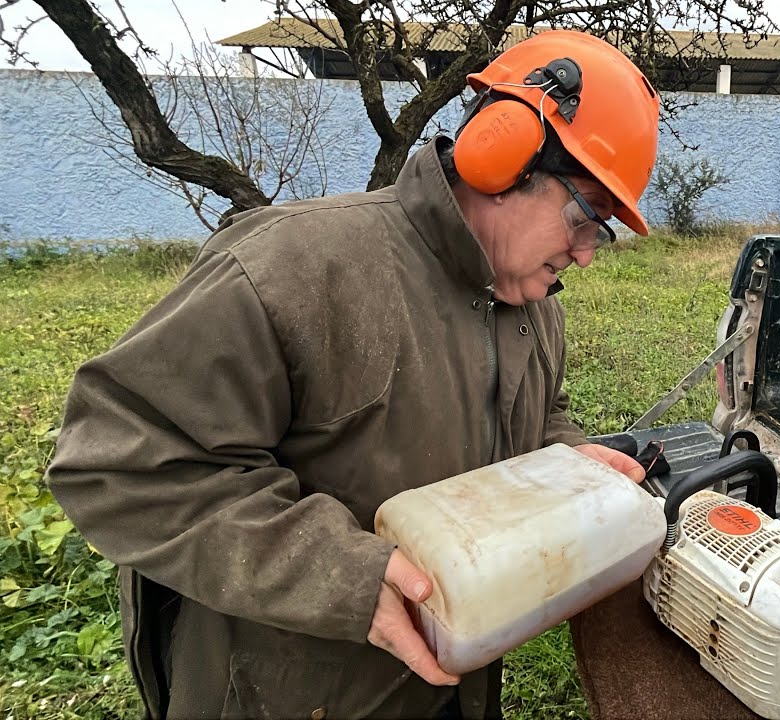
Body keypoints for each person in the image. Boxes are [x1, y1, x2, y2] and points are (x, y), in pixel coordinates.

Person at [44, 29, 661, 720]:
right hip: (287, 695)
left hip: (451, 685)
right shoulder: (292, 268)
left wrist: (564, 459)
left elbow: (535, 410)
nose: (585, 256)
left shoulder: (530, 304)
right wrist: (345, 577)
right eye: (586, 219)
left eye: (600, 235)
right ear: (503, 155)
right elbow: (119, 464)